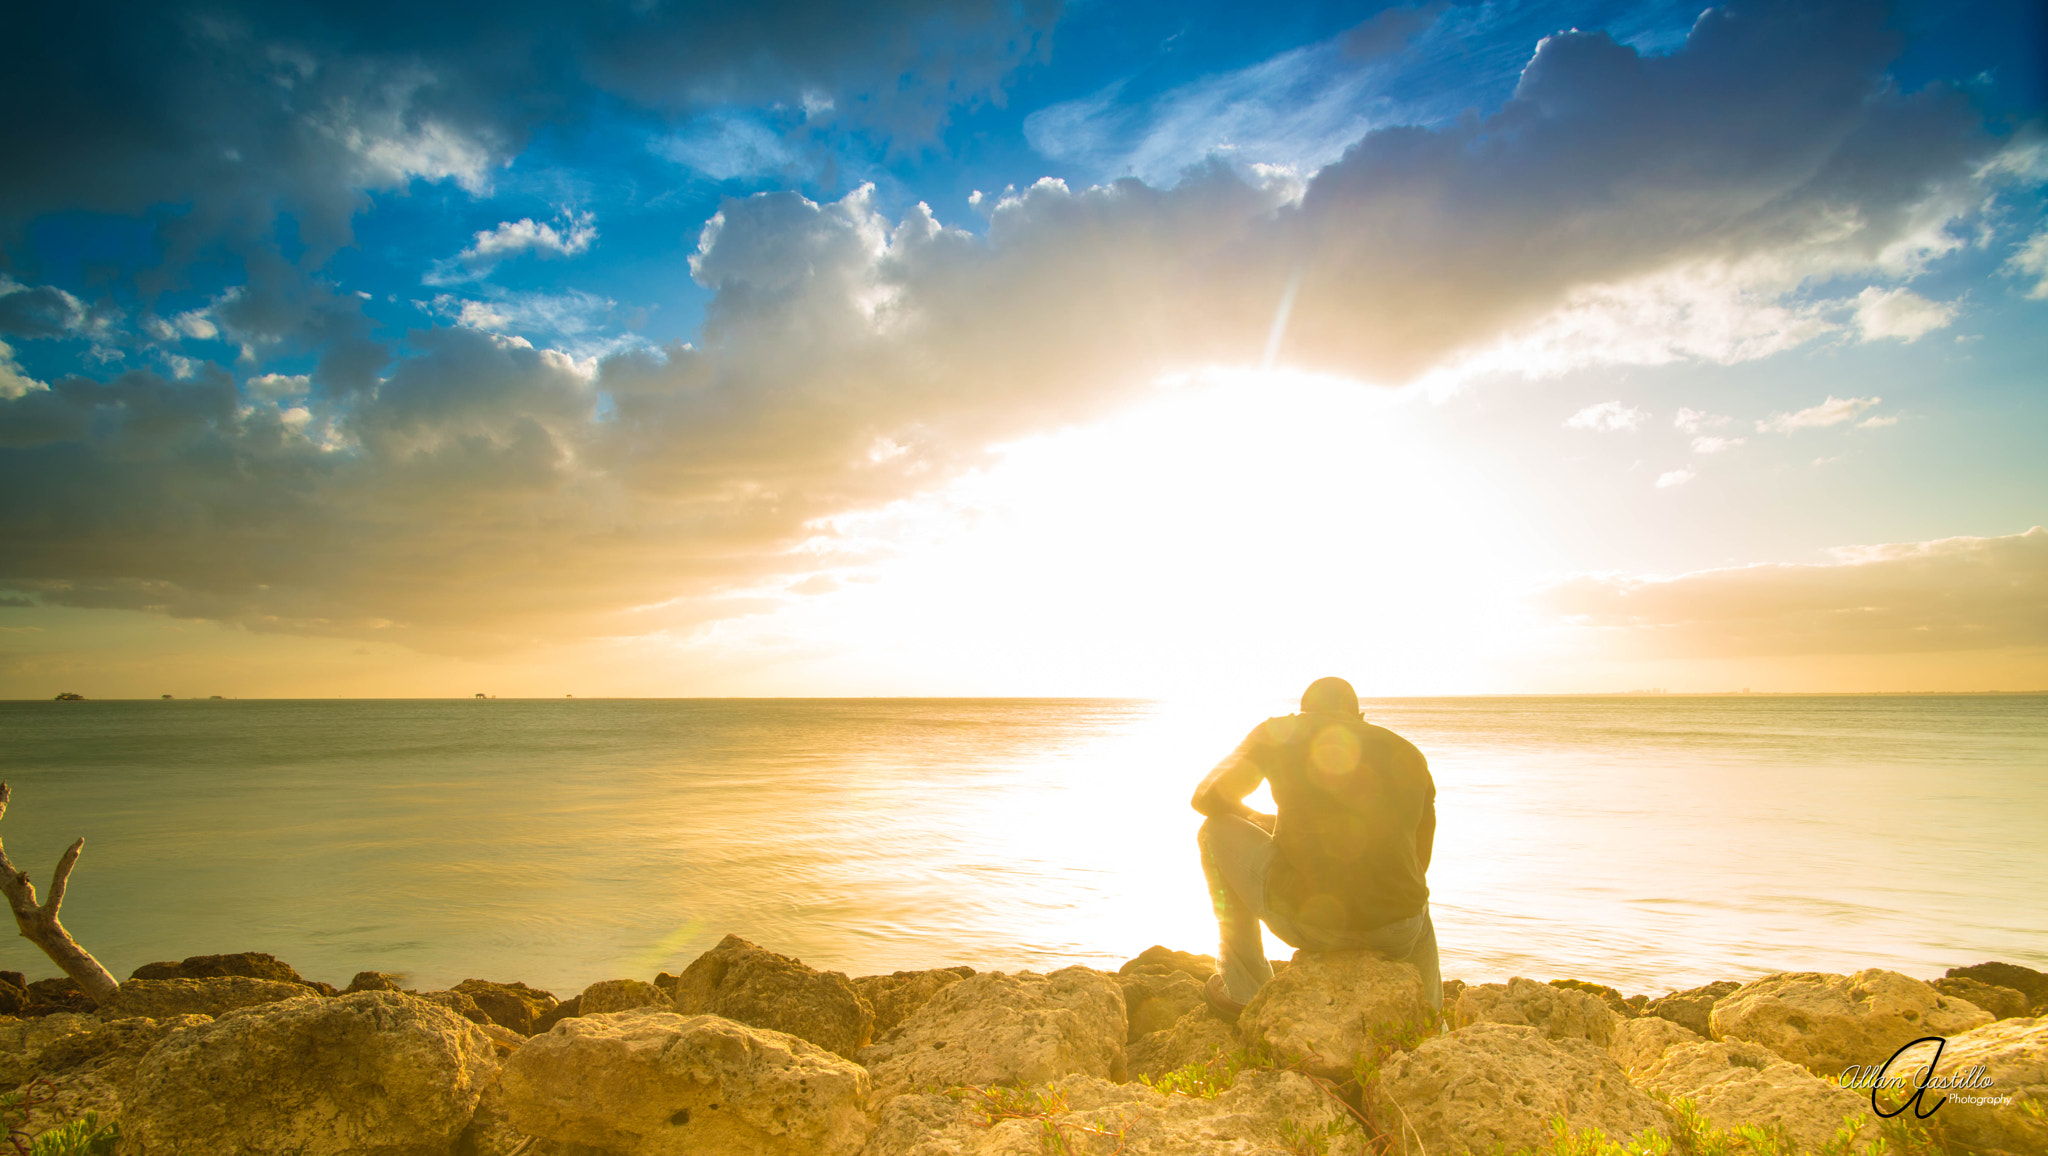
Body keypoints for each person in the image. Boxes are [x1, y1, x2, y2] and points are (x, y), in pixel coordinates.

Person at [1190, 676, 1440, 1017]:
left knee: (1213, 831)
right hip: (1398, 933)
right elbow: (1418, 857)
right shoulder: (1409, 753)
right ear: (1360, 716)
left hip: (1314, 926)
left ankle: (1243, 991)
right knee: (1414, 896)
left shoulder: (1282, 732)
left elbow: (1205, 799)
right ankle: (1432, 1019)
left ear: (1304, 712)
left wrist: (1250, 813)